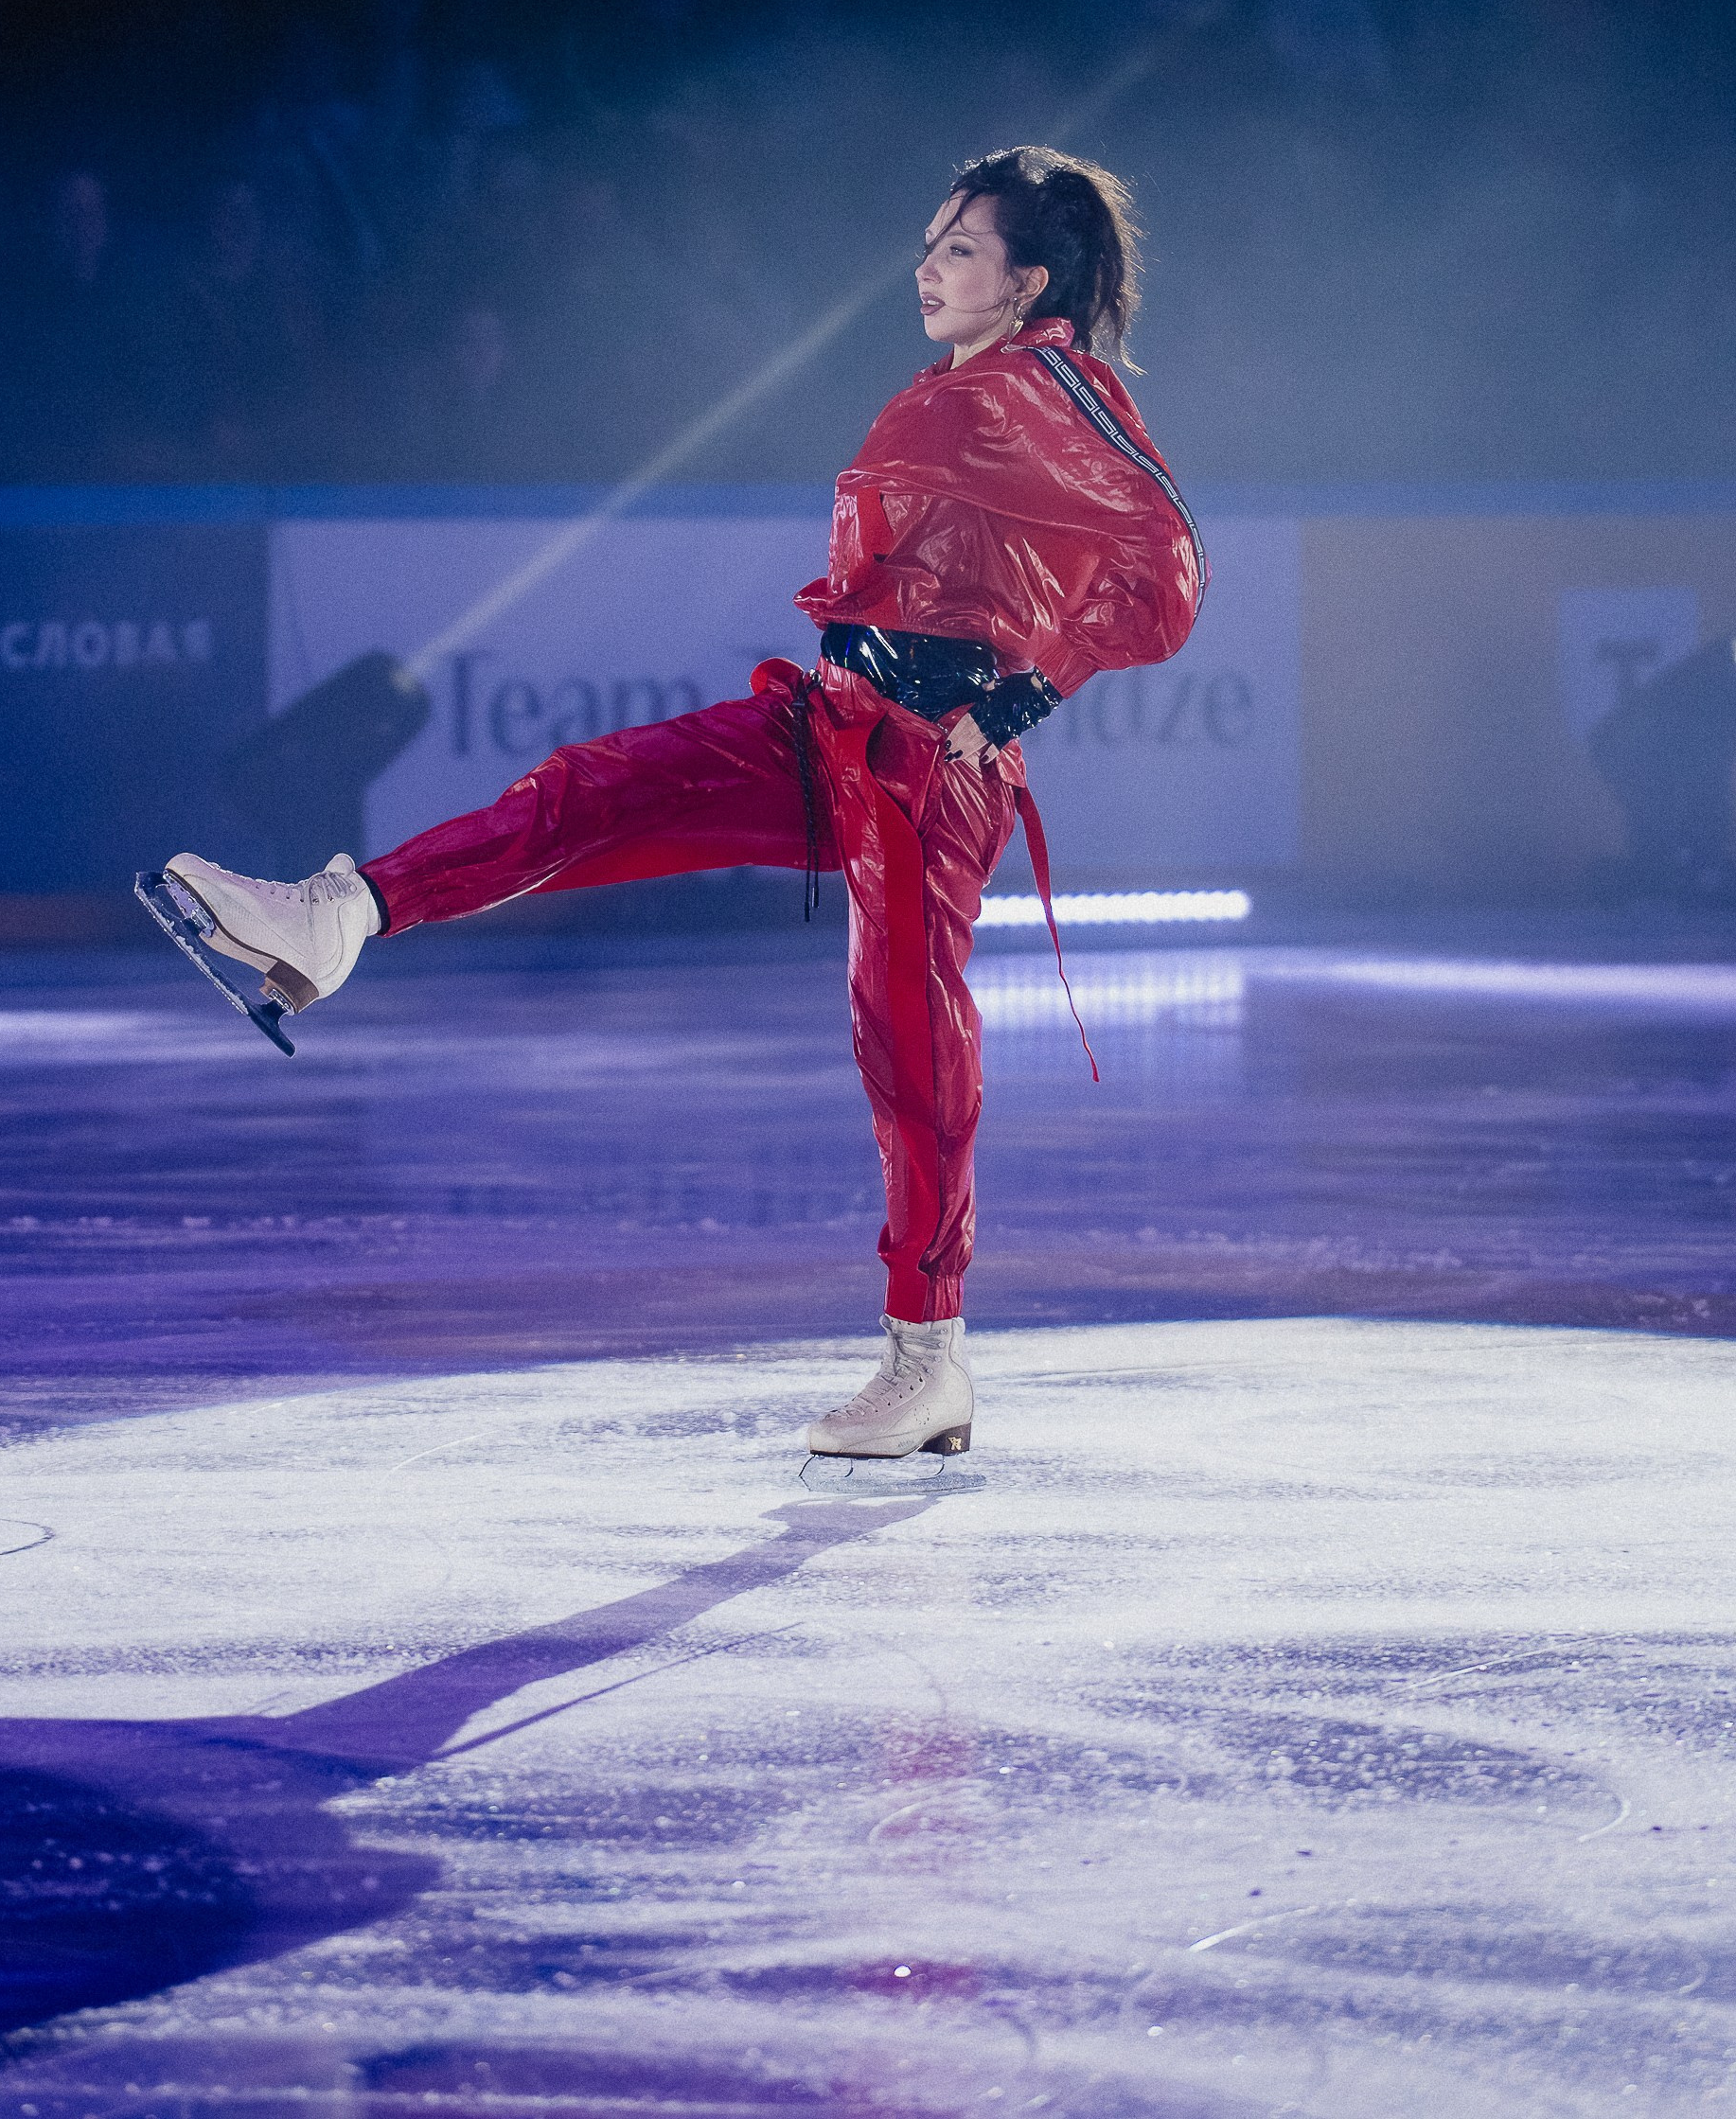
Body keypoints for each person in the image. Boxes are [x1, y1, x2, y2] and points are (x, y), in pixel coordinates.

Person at [159, 147, 1204, 1462]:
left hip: (923, 776)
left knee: (907, 1039)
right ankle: (343, 914)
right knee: (588, 793)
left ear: (1027, 281)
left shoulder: (1048, 384)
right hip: (825, 722)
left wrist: (1010, 705)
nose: (926, 266)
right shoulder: (957, 384)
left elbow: (1166, 568)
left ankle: (927, 1360)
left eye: (959, 250)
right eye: (929, 240)